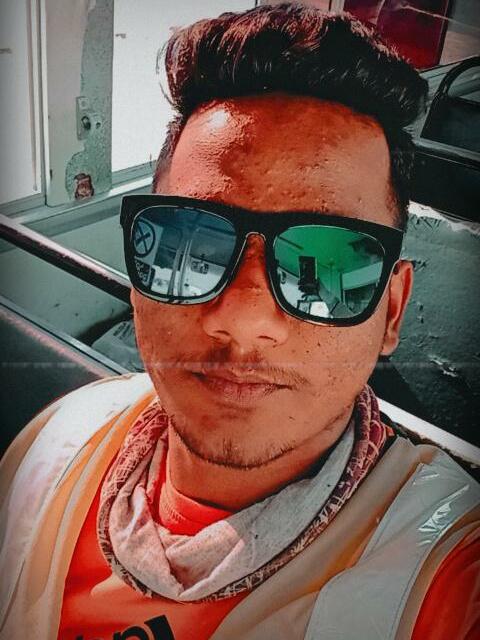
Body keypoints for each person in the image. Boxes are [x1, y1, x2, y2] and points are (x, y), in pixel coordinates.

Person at [0, 4, 479, 640]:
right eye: (188, 246)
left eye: (327, 265)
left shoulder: (446, 578)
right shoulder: (54, 442)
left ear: (391, 310)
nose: (242, 318)